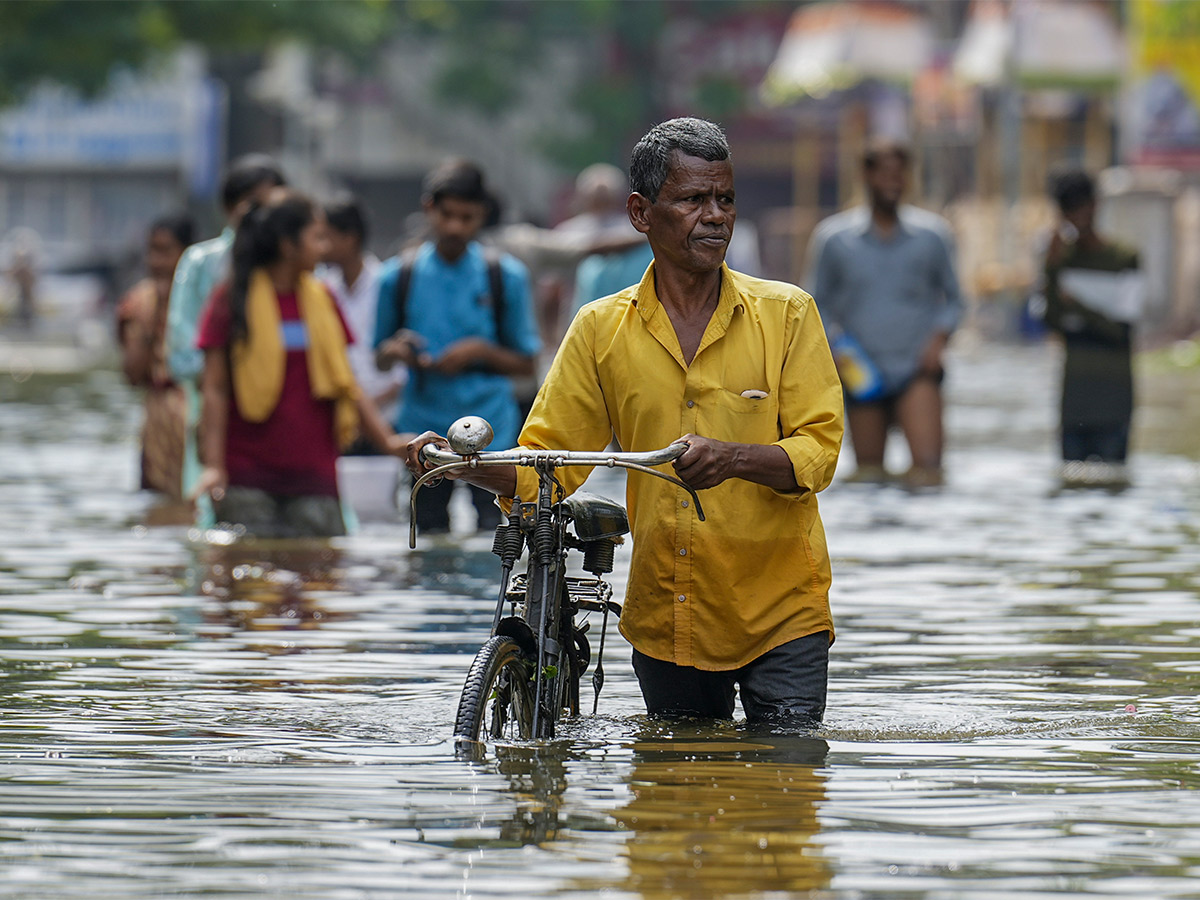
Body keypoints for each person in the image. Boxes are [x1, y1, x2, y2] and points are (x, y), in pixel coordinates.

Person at [405, 118, 844, 724]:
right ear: (641, 213)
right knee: (674, 791)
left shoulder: (788, 313)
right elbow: (550, 465)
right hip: (670, 615)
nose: (716, 216)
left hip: (782, 612)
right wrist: (464, 467)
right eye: (693, 199)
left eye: (725, 199)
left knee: (787, 780)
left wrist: (733, 457)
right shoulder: (599, 328)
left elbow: (818, 453)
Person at [192, 187, 406, 538]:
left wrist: (389, 443)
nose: (324, 248)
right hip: (248, 474)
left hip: (315, 475)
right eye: (316, 237)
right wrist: (213, 466)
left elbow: (346, 383)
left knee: (320, 583)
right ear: (287, 245)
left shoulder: (324, 299)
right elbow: (213, 389)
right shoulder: (231, 301)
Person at [374, 159, 541, 534]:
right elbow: (379, 357)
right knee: (427, 533)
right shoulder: (397, 276)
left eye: (466, 217)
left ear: (481, 216)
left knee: (493, 535)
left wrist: (479, 351)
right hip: (423, 433)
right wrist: (397, 351)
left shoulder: (505, 276)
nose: (454, 227)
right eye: (447, 214)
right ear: (428, 208)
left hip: (492, 429)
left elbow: (527, 364)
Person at [806, 139, 963, 486]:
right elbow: (814, 306)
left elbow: (955, 300)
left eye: (900, 174)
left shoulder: (933, 236)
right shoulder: (834, 239)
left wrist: (939, 340)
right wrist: (835, 350)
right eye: (884, 173)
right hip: (862, 371)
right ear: (866, 175)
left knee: (929, 471)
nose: (892, 181)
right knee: (869, 477)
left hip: (917, 368)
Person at [165, 154, 286, 505]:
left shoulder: (293, 266)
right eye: (255, 206)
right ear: (230, 207)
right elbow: (181, 350)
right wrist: (231, 379)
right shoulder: (202, 263)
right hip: (218, 412)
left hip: (280, 413)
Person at [1041, 168, 1140, 475]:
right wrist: (1051, 271)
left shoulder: (1124, 258)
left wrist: (1080, 308)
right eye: (1069, 210)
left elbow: (1122, 330)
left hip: (1114, 397)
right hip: (1074, 400)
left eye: (1081, 206)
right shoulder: (1062, 259)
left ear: (1095, 205)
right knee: (1071, 485)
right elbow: (1051, 321)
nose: (1078, 216)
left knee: (1114, 484)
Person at [116, 212, 195, 502]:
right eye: (151, 251)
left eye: (165, 251)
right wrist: (153, 317)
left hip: (196, 411)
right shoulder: (138, 302)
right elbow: (132, 375)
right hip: (157, 416)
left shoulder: (204, 296)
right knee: (156, 499)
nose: (155, 261)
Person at [320, 193, 404, 437]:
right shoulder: (323, 288)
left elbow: (403, 370)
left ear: (349, 238)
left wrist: (366, 410)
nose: (320, 246)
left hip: (388, 417)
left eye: (325, 237)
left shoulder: (388, 284)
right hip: (340, 421)